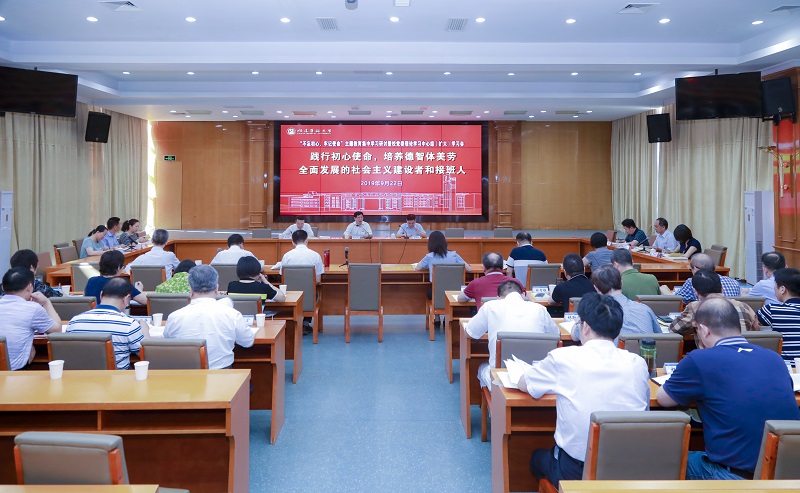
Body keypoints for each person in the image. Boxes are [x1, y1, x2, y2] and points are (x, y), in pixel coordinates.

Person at [658, 297, 800, 480]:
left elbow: (664, 399)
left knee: (670, 458)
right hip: (787, 474)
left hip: (736, 477)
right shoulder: (774, 358)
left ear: (704, 330)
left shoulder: (699, 360)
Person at [518, 292, 650, 487]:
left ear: (585, 327)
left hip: (577, 471)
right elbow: (645, 409)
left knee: (536, 458)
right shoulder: (637, 363)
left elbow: (525, 384)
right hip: (629, 470)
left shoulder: (563, 358)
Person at [465, 281, 558, 387]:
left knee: (482, 368)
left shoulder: (490, 306)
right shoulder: (540, 309)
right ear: (523, 294)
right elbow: (555, 335)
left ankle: (493, 396)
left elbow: (470, 333)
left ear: (499, 297)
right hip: (536, 378)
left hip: (501, 379)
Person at [163, 265, 255, 369]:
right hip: (223, 375)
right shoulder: (232, 314)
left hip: (186, 376)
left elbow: (167, 342)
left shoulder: (174, 317)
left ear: (190, 290)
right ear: (216, 288)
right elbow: (247, 342)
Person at [65, 277, 145, 370]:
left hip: (80, 377)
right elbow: (144, 354)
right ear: (126, 299)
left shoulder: (74, 321)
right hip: (118, 378)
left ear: (101, 295)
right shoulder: (129, 324)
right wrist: (145, 329)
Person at [670, 270, 759, 347]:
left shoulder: (696, 307)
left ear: (696, 292)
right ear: (722, 288)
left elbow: (675, 328)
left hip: (711, 356)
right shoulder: (743, 306)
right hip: (744, 353)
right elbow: (756, 329)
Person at [576, 265, 660, 341]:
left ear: (596, 289)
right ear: (622, 283)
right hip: (648, 353)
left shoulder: (597, 314)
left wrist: (578, 321)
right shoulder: (645, 309)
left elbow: (576, 335)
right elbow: (660, 336)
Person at [0, 267, 61, 370]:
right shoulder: (33, 308)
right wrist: (46, 302)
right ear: (29, 287)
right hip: (14, 373)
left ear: (3, 287)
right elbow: (57, 331)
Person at [278, 229, 324, 334]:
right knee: (315, 292)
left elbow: (282, 278)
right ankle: (305, 323)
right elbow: (318, 280)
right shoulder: (315, 255)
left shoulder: (287, 256)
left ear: (293, 242)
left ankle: (291, 323)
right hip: (309, 297)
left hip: (290, 295)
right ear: (307, 240)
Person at [756, 267, 800, 361]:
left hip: (786, 365)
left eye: (775, 286)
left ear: (782, 289)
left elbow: (752, 322)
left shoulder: (772, 310)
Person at [457, 252, 523, 310]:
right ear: (503, 267)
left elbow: (460, 299)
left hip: (486, 320)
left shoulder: (476, 283)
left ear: (484, 268)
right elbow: (525, 299)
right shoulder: (515, 282)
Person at [669, 253, 740, 304]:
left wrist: (665, 290)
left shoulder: (692, 282)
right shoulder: (734, 282)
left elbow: (676, 301)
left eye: (691, 269)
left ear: (696, 269)